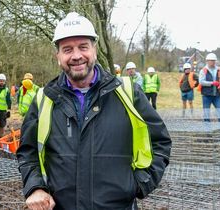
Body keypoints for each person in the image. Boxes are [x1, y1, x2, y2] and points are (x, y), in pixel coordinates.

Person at [17, 12, 171, 210]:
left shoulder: (127, 92)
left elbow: (160, 141)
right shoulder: (43, 99)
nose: (76, 56)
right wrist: (35, 187)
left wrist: (140, 183)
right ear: (58, 57)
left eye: (83, 47)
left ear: (94, 50)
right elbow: (27, 152)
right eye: (67, 49)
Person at [199, 53, 220, 122]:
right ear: (207, 61)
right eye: (211, 60)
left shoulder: (219, 70)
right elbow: (201, 82)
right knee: (206, 114)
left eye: (214, 60)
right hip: (206, 96)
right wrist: (212, 83)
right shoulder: (203, 70)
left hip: (217, 95)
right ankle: (207, 130)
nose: (213, 62)